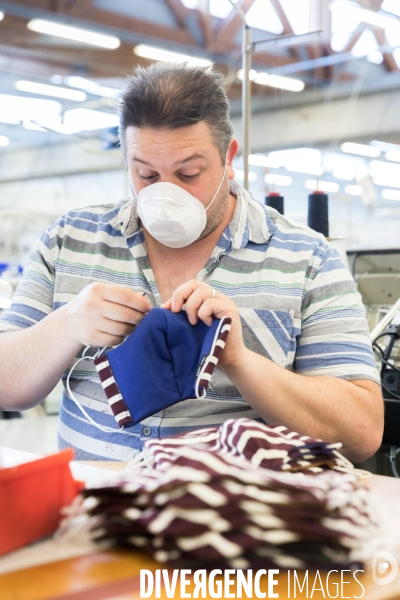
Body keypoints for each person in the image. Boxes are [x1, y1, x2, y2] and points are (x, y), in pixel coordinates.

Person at [0, 63, 383, 462]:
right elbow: (6, 386)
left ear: (228, 157)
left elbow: (361, 432)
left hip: (232, 513)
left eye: (189, 173)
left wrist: (239, 361)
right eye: (146, 174)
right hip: (97, 507)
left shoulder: (308, 260)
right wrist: (67, 325)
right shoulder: (69, 240)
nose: (166, 195)